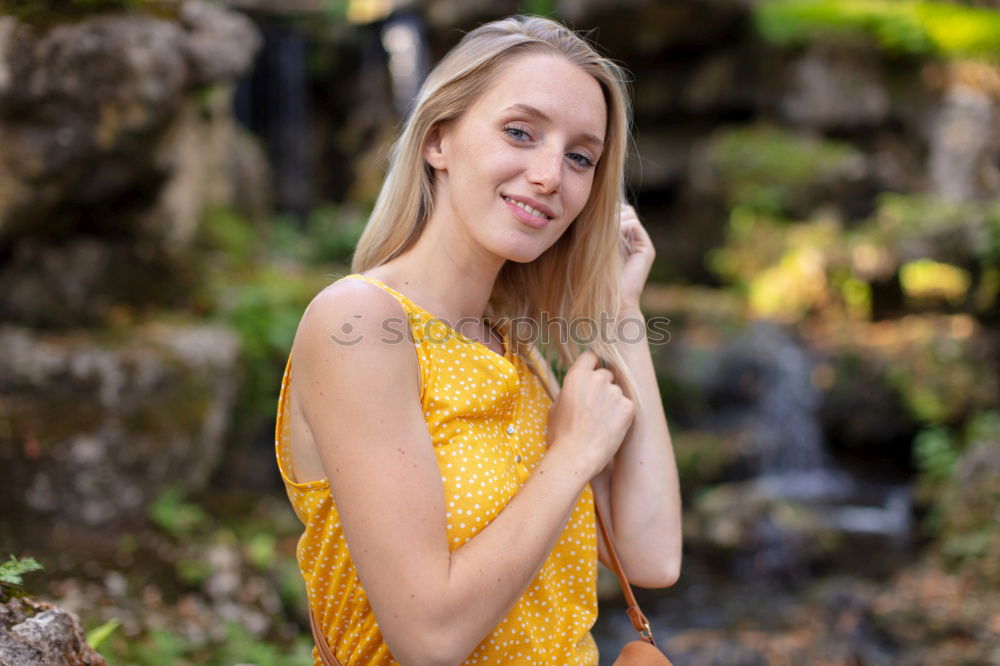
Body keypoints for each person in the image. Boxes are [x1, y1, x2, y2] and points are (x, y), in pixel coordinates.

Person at [274, 14, 681, 666]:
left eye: (581, 157)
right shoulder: (360, 323)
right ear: (439, 140)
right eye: (520, 132)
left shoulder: (518, 350)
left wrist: (619, 314)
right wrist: (572, 455)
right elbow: (427, 639)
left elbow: (652, 554)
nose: (551, 175)